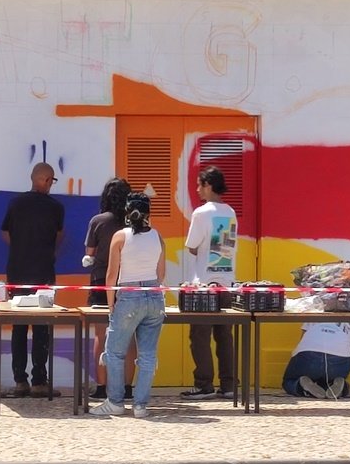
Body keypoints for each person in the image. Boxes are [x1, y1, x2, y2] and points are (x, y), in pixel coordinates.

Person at [90, 192, 166, 418]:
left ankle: (115, 401)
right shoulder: (158, 237)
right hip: (154, 295)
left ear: (127, 212)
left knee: (114, 352)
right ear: (147, 214)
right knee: (148, 354)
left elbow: (111, 275)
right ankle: (141, 405)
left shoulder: (120, 237)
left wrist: (112, 305)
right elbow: (161, 274)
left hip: (128, 295)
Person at [0, 162, 65, 398]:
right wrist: (47, 251)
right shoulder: (55, 207)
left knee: (18, 326)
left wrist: (19, 247)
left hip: (16, 272)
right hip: (44, 273)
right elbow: (59, 234)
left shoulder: (15, 204)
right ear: (47, 180)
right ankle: (39, 381)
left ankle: (20, 381)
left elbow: (4, 231)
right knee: (42, 326)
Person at [182, 166, 238, 400]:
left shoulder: (201, 213)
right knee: (224, 336)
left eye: (199, 184)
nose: (197, 190)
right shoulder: (230, 212)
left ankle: (204, 384)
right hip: (226, 281)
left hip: (204, 284)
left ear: (208, 185)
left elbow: (192, 246)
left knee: (200, 337)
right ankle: (229, 385)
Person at [83, 177, 137, 401]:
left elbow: (89, 253)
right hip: (130, 282)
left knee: (101, 335)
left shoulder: (98, 221)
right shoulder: (135, 222)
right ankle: (127, 388)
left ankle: (103, 386)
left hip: (101, 283)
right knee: (130, 334)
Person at [282, 322, 350, 399]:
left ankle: (300, 386)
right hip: (338, 363)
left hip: (309, 357)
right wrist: (345, 365)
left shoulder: (312, 316)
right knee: (328, 376)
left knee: (288, 381)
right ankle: (341, 387)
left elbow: (303, 342)